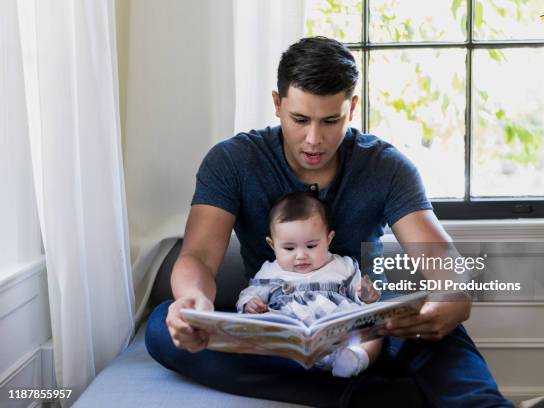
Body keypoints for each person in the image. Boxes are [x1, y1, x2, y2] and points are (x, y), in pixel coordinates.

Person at [145, 36, 513, 407]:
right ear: (277, 104)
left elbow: (439, 256)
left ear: (351, 108)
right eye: (300, 120)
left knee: (445, 334)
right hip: (277, 328)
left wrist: (454, 294)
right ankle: (372, 397)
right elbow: (198, 257)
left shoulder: (386, 166)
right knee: (164, 327)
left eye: (330, 121)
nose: (314, 139)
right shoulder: (233, 161)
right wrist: (193, 303)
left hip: (367, 330)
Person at [237, 191, 382, 378]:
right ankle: (281, 371)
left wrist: (367, 296)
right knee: (257, 332)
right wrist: (250, 304)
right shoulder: (270, 271)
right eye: (289, 248)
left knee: (375, 330)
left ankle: (356, 358)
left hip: (339, 333)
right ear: (272, 245)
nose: (301, 255)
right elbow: (250, 293)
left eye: (311, 246)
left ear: (328, 239)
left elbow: (359, 297)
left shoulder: (342, 265)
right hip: (290, 337)